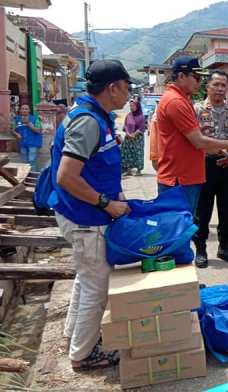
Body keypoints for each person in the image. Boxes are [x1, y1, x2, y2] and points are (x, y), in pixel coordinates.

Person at [49, 59, 131, 371]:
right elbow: (66, 176)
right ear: (112, 88)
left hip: (82, 214)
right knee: (97, 288)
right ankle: (83, 355)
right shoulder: (88, 121)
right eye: (125, 88)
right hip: (86, 217)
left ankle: (74, 337)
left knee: (86, 281)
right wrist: (106, 204)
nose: (127, 95)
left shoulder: (96, 116)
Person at [155, 56, 228, 216]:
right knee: (181, 228)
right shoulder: (176, 102)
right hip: (181, 178)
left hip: (195, 173)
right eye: (196, 78)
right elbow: (198, 141)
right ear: (181, 76)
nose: (199, 82)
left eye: (223, 85)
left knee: (216, 214)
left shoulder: (183, 100)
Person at [192, 70, 228, 268]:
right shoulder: (195, 110)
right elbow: (193, 140)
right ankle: (201, 249)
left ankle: (224, 247)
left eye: (224, 85)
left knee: (226, 208)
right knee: (202, 210)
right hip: (204, 165)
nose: (220, 89)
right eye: (216, 84)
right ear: (208, 86)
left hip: (226, 166)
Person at [11, 104, 42, 170]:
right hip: (22, 143)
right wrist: (17, 134)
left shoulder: (35, 119)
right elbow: (12, 130)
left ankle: (32, 176)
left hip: (33, 143)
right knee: (24, 161)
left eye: (26, 109)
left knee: (31, 161)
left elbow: (39, 131)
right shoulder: (16, 119)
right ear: (20, 110)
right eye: (23, 109)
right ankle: (25, 177)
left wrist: (31, 126)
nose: (24, 110)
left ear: (29, 110)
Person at [120, 99, 146, 176]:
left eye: (133, 106)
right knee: (127, 153)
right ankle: (128, 170)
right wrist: (128, 133)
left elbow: (141, 127)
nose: (131, 107)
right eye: (130, 106)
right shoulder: (128, 115)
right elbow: (125, 125)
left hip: (138, 138)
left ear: (137, 106)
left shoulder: (141, 116)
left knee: (138, 153)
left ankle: (139, 170)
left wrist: (134, 134)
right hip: (128, 138)